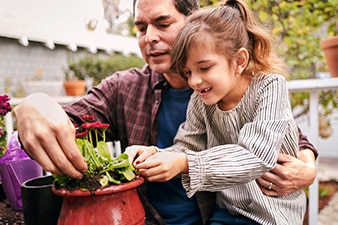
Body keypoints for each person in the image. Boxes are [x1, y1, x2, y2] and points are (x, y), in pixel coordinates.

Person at [13, 0, 317, 224]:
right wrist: (32, 104)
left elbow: (280, 139)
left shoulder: (252, 86)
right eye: (141, 28)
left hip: (258, 214)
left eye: (162, 23)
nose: (150, 38)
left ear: (191, 20)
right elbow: (185, 146)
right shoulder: (127, 87)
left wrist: (308, 166)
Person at [126, 1, 311, 224]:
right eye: (188, 72)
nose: (194, 81)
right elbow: (187, 145)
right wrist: (156, 155)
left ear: (239, 60)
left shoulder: (270, 87)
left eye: (204, 68)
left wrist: (186, 163)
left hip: (271, 214)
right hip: (226, 212)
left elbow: (257, 155)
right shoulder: (200, 99)